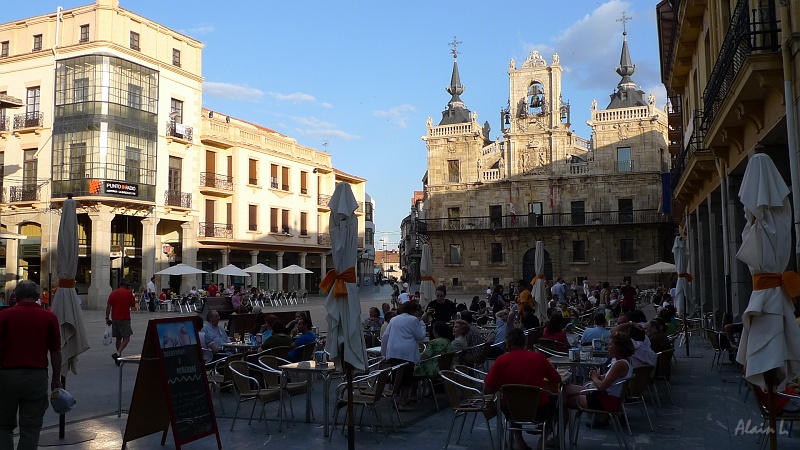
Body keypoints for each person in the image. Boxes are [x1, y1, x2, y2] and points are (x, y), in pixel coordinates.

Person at [0, 281, 62, 450]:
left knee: (3, 426)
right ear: (37, 297)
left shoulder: (4, 316)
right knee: (31, 427)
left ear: (16, 296)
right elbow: (55, 351)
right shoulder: (49, 317)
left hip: (6, 377)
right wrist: (56, 378)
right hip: (36, 377)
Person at [484, 328, 561, 450]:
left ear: (508, 343)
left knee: (512, 402)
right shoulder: (539, 358)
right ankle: (542, 440)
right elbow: (557, 379)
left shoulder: (501, 360)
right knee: (558, 404)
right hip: (540, 409)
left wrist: (501, 387)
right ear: (524, 342)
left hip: (511, 410)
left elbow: (487, 389)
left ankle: (519, 442)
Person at [564, 332, 635, 420]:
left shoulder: (619, 365)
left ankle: (556, 427)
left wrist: (594, 377)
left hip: (606, 401)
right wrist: (598, 376)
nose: (607, 348)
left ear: (618, 348)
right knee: (565, 389)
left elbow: (601, 386)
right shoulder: (623, 362)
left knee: (564, 399)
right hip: (603, 396)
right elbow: (606, 379)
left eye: (610, 345)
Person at [381, 301, 426, 410]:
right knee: (406, 379)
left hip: (393, 351)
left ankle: (396, 399)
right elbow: (420, 336)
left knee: (396, 377)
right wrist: (422, 324)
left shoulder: (394, 319)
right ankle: (402, 402)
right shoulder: (413, 320)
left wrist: (385, 352)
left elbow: (385, 336)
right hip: (406, 352)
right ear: (413, 311)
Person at [106, 278, 136, 365]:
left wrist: (107, 318)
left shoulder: (113, 293)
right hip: (125, 318)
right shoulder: (128, 293)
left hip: (115, 318)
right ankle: (118, 353)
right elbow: (133, 305)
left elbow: (108, 307)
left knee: (118, 338)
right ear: (127, 285)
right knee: (126, 338)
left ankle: (118, 357)